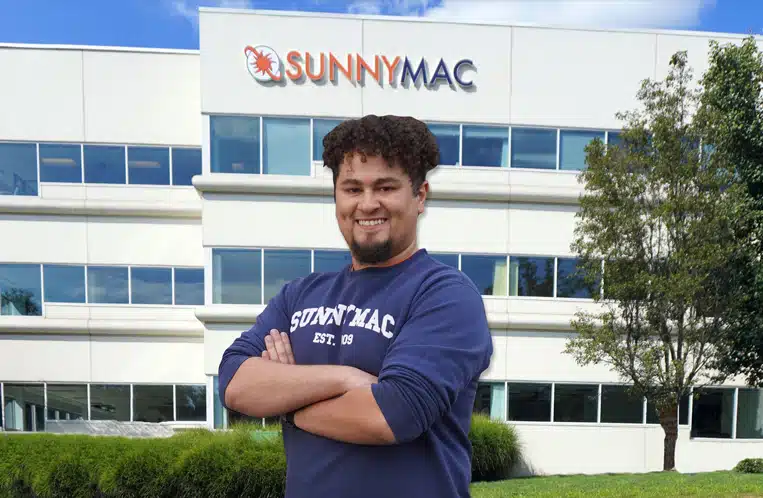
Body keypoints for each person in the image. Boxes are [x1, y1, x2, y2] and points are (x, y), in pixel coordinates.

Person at [218, 114, 493, 498]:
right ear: (336, 197)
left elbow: (393, 415)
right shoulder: (299, 295)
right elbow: (233, 382)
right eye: (352, 188)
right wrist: (345, 378)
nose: (367, 204)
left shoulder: (445, 294)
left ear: (420, 195)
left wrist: (286, 398)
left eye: (385, 187)